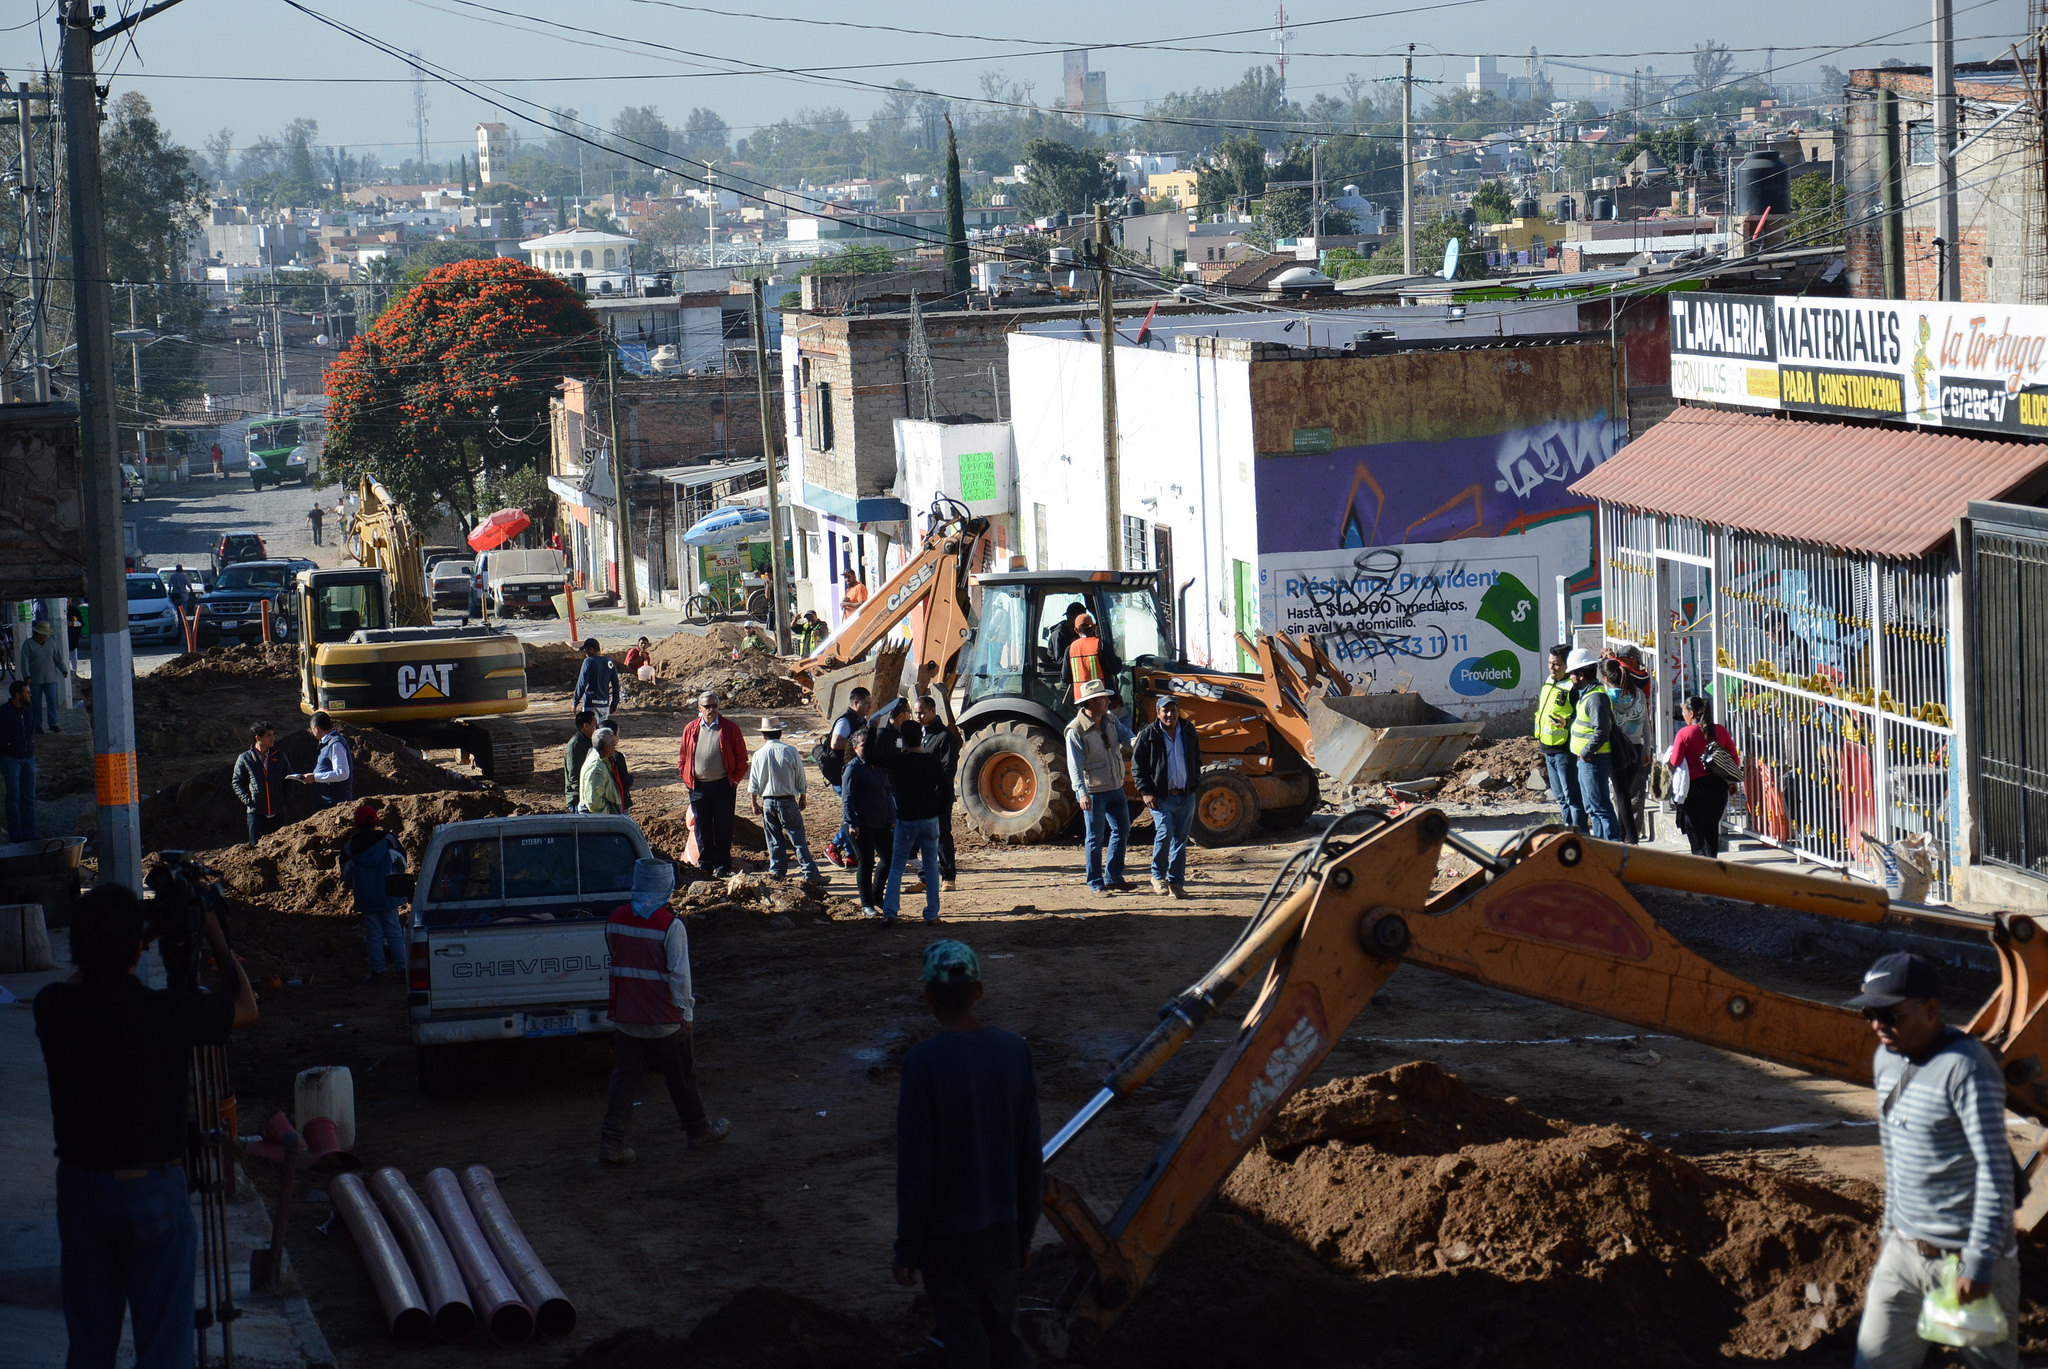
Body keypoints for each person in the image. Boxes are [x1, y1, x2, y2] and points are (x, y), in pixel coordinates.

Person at [35, 883, 257, 1369]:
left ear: (76, 947)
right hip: (151, 1191)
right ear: (138, 947)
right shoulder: (165, 1013)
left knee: (90, 1347)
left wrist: (120, 942)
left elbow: (84, 983)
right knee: (163, 1350)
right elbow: (246, 1006)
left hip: (80, 1190)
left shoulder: (51, 1007)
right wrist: (214, 935)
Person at [1849, 952, 2020, 1369]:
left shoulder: (1967, 1069)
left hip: (1971, 1258)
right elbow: (1895, 1153)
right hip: (1903, 1256)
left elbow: (1996, 1173)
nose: (1877, 1026)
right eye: (1870, 1013)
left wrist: (1978, 1262)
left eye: (1889, 1014)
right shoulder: (1886, 1061)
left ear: (1930, 1009)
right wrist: (1891, 1229)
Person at [893, 940, 1041, 1369]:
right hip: (1002, 1232)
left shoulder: (924, 1062)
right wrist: (1025, 1233)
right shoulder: (1015, 1051)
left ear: (928, 996)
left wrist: (907, 1247)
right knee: (1006, 1337)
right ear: (979, 991)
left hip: (946, 1241)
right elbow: (1030, 1155)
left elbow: (917, 1167)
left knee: (964, 1343)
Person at [599, 857, 731, 1164]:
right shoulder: (671, 927)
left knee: (623, 1081)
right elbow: (679, 976)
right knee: (682, 1076)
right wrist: (686, 1015)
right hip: (664, 1020)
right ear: (667, 888)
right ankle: (698, 1131)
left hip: (627, 1018)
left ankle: (612, 1144)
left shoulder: (615, 919)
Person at [1065, 679, 1135, 897]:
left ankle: (1113, 876)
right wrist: (1081, 793)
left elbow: (1126, 737)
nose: (1108, 701)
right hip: (1093, 792)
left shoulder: (1111, 720)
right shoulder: (1075, 731)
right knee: (1095, 838)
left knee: (1122, 830)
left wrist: (1137, 741)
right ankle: (1096, 883)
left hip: (1115, 787)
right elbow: (1074, 766)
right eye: (1103, 698)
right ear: (1091, 703)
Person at [1133, 694, 1201, 899]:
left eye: (1173, 710)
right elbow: (1138, 767)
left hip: (1185, 795)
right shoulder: (1148, 735)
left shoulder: (1188, 731)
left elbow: (1196, 759)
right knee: (1165, 833)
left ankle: (1177, 882)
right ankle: (1158, 876)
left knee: (1180, 840)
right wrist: (1146, 791)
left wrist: (1194, 783)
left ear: (1178, 711)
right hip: (1161, 796)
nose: (1169, 714)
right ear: (1158, 713)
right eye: (1165, 710)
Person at [678, 691, 747, 877]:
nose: (710, 710)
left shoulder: (730, 728)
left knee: (723, 827)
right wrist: (687, 780)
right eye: (706, 706)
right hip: (698, 787)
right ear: (699, 708)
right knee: (702, 827)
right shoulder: (691, 729)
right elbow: (683, 757)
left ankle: (723, 865)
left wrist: (734, 780)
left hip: (723, 786)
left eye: (714, 706)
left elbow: (742, 758)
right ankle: (706, 864)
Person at [884, 721, 948, 923]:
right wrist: (937, 811)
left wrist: (876, 729)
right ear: (921, 737)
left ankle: (890, 911)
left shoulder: (898, 762)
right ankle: (932, 913)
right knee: (930, 866)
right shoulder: (932, 761)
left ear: (903, 740)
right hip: (929, 819)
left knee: (896, 867)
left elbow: (873, 757)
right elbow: (946, 792)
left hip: (906, 820)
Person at [747, 723, 822, 882]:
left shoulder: (759, 754)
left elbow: (753, 783)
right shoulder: (790, 751)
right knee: (798, 839)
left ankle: (777, 871)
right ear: (780, 733)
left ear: (763, 735)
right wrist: (803, 796)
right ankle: (809, 872)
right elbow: (800, 776)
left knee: (773, 839)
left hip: (767, 802)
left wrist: (754, 803)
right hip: (787, 801)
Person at [341, 803, 407, 983]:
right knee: (394, 930)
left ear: (356, 824)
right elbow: (402, 863)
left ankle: (378, 972)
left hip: (365, 895)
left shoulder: (351, 846)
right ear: (376, 821)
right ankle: (402, 970)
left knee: (374, 933)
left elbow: (346, 873)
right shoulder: (388, 840)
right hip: (389, 892)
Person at [1668, 694, 1738, 858]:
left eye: (1684, 711)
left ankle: (1701, 871)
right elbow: (1734, 758)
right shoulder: (1720, 730)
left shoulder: (1684, 734)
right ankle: (1712, 868)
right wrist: (1731, 782)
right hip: (1718, 787)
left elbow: (1675, 760)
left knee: (1695, 831)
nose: (1683, 715)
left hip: (1695, 790)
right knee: (1711, 830)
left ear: (1691, 714)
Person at [1565, 648, 1622, 842]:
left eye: (1572, 673)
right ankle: (1602, 845)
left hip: (1594, 759)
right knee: (1593, 807)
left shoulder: (1596, 698)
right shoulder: (1589, 695)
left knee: (1600, 807)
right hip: (1588, 759)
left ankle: (1613, 847)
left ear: (1581, 675)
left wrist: (1586, 752)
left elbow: (1601, 730)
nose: (1570, 677)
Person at [840, 726, 898, 918]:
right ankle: (866, 904)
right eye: (864, 745)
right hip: (861, 823)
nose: (869, 748)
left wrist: (892, 816)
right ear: (855, 747)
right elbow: (847, 798)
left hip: (881, 821)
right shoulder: (853, 768)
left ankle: (876, 894)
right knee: (866, 862)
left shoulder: (879, 766)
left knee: (889, 858)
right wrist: (851, 822)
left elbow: (887, 792)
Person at [1534, 643, 1583, 831]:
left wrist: (1567, 721)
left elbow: (1581, 716)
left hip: (1565, 749)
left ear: (1567, 665)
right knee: (1561, 797)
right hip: (1548, 748)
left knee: (1571, 796)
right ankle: (1568, 831)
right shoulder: (1549, 681)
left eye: (1556, 664)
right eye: (1549, 663)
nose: (1552, 668)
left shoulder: (1572, 687)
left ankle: (1579, 834)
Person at [824, 687, 873, 870]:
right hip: (840, 775)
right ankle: (834, 846)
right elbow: (835, 743)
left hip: (852, 773)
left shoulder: (861, 720)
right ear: (855, 703)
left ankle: (851, 856)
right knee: (853, 812)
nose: (869, 706)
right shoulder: (845, 721)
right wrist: (858, 742)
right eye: (866, 703)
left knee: (854, 812)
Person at [1602, 657, 1650, 844]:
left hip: (1618, 748)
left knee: (1621, 795)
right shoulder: (1638, 694)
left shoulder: (1606, 697)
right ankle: (1623, 835)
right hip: (1637, 747)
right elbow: (1646, 723)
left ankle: (1631, 838)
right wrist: (1646, 748)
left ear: (1606, 678)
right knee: (1625, 792)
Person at [916, 695, 960, 892]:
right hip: (921, 796)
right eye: (916, 713)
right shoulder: (918, 734)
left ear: (933, 711)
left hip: (938, 796)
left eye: (922, 713)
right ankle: (926, 877)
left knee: (941, 836)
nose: (918, 716)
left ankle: (948, 876)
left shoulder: (945, 737)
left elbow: (947, 770)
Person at [231, 721, 290, 845]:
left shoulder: (279, 757)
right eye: (268, 735)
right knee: (256, 850)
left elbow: (288, 779)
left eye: (273, 734)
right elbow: (237, 782)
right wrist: (249, 801)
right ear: (258, 738)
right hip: (256, 815)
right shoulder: (245, 758)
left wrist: (284, 801)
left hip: (277, 813)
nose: (272, 738)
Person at [289, 711, 353, 808]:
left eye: (312, 730)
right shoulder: (328, 743)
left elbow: (342, 773)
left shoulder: (335, 744)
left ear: (317, 729)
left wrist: (315, 777)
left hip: (335, 803)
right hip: (328, 802)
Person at [0, 677, 36, 841]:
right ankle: (16, 834)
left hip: (28, 758)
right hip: (11, 759)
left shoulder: (28, 710)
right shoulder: (4, 712)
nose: (30, 695)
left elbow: (30, 730)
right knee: (13, 798)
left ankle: (30, 833)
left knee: (28, 797)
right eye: (27, 692)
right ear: (17, 695)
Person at [19, 618, 69, 733]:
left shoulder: (51, 643)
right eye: (43, 634)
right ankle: (37, 725)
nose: (45, 637)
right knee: (35, 703)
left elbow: (58, 658)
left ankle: (53, 723)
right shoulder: (28, 644)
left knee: (52, 700)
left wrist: (63, 670)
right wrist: (26, 675)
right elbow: (24, 661)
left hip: (50, 677)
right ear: (38, 633)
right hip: (35, 679)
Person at [572, 637, 620, 726]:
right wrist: (614, 703)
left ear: (591, 649)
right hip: (604, 704)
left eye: (586, 650)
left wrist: (575, 701)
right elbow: (616, 684)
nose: (585, 653)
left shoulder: (588, 662)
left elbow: (581, 684)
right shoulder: (609, 662)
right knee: (601, 734)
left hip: (590, 704)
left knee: (590, 732)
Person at [580, 728, 625, 815]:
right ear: (606, 747)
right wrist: (610, 812)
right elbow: (593, 803)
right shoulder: (596, 768)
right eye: (613, 745)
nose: (614, 748)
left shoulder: (601, 760)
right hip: (600, 821)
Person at [1065, 612, 1105, 700]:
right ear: (1094, 627)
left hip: (1081, 698)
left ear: (1076, 630)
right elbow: (1115, 668)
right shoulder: (1100, 645)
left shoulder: (1070, 649)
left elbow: (1065, 677)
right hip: (1100, 697)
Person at [564, 710, 598, 812]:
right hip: (578, 800)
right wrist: (583, 796)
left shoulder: (589, 741)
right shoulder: (575, 745)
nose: (596, 730)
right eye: (594, 726)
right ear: (586, 726)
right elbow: (574, 775)